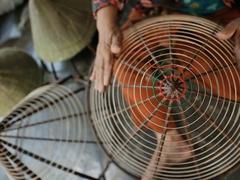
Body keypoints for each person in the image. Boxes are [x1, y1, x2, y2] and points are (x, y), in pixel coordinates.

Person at [90, 1, 240, 179]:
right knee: (121, 58)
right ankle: (169, 139)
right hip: (160, 14)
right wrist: (105, 28)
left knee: (230, 78)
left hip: (227, 17)